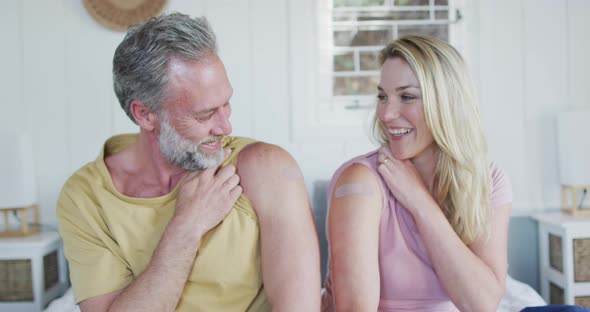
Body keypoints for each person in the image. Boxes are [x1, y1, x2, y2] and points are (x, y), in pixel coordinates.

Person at [57, 13, 320, 312]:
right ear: (144, 114)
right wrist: (186, 227)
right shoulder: (86, 197)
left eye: (226, 104)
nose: (225, 127)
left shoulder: (265, 168)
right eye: (204, 115)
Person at [321, 35, 512, 312]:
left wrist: (420, 201)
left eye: (407, 96)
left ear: (447, 103)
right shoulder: (362, 182)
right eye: (382, 97)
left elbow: (482, 303)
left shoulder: (489, 180)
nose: (386, 114)